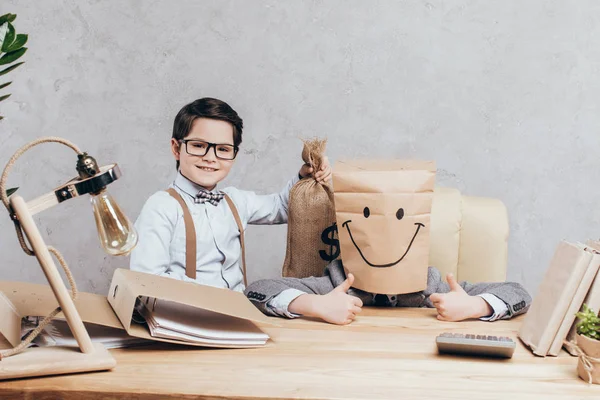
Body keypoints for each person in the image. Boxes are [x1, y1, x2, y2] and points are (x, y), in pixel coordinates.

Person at [130, 97, 331, 294]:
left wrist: (304, 177)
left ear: (233, 155)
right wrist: (214, 296)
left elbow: (284, 207)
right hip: (186, 317)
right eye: (198, 145)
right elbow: (147, 279)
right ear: (176, 148)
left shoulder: (235, 201)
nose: (210, 158)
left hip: (237, 313)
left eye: (223, 149)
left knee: (281, 291)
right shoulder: (161, 206)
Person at [245, 259, 532, 325]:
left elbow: (519, 293)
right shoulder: (336, 284)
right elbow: (256, 290)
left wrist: (475, 306)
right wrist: (313, 304)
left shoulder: (433, 287)